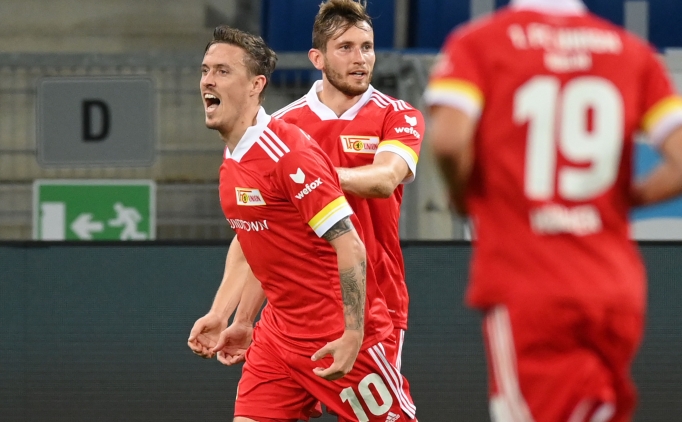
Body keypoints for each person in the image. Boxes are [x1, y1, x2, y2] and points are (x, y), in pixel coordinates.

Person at [424, 0, 682, 421]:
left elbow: (450, 141)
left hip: (530, 282)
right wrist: (621, 199)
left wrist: (462, 192)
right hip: (615, 287)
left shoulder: (480, 43)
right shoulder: (632, 52)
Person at [188, 25, 417, 421]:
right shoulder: (233, 161)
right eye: (206, 70)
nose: (208, 80)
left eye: (223, 71)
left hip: (336, 333)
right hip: (278, 338)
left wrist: (353, 334)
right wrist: (229, 316)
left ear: (256, 85)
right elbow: (256, 243)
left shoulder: (287, 153)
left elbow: (351, 245)